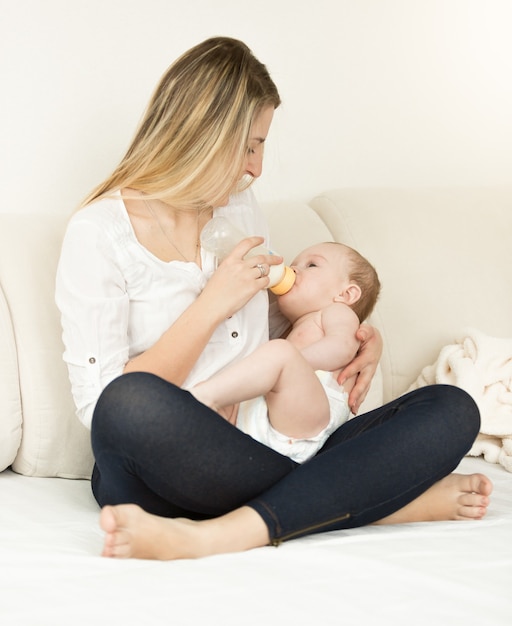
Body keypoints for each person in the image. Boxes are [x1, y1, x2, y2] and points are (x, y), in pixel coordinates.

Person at [55, 36, 492, 561]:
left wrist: (351, 336)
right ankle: (379, 500)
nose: (256, 169)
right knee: (128, 408)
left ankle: (219, 532)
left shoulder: (238, 208)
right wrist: (210, 304)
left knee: (451, 407)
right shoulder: (98, 233)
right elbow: (98, 403)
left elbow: (277, 330)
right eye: (249, 146)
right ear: (200, 135)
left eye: (260, 146)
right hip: (169, 460)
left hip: (267, 440)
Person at [190, 241, 381, 463]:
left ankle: (197, 398)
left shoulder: (338, 313)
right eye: (294, 264)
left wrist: (292, 363)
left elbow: (343, 348)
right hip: (264, 427)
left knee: (279, 353)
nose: (294, 269)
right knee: (231, 402)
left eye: (312, 265)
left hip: (314, 411)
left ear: (346, 294)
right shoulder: (291, 330)